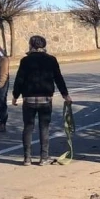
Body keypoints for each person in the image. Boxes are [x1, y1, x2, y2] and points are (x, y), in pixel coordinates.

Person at [12, 35, 71, 166]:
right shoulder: (51, 60)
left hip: (29, 99)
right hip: (45, 99)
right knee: (44, 128)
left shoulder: (25, 60)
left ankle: (27, 158)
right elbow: (58, 78)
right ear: (44, 46)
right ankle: (44, 157)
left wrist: (15, 95)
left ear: (31, 45)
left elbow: (19, 80)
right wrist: (65, 95)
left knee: (28, 127)